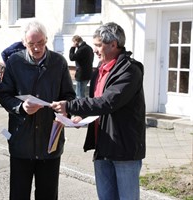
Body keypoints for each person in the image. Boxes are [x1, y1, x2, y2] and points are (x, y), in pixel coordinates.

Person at [51, 22, 146, 200]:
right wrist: (81, 116)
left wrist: (70, 106)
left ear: (114, 44)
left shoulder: (130, 71)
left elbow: (108, 102)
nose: (94, 50)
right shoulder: (100, 71)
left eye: (98, 45)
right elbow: (96, 102)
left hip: (124, 149)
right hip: (103, 146)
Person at [0, 20, 76, 200]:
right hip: (21, 142)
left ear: (46, 40)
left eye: (40, 43)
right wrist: (20, 107)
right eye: (31, 44)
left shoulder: (58, 62)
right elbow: (5, 95)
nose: (36, 48)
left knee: (47, 195)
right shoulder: (15, 62)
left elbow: (70, 96)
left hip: (50, 141)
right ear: (24, 43)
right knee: (19, 194)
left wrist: (65, 109)